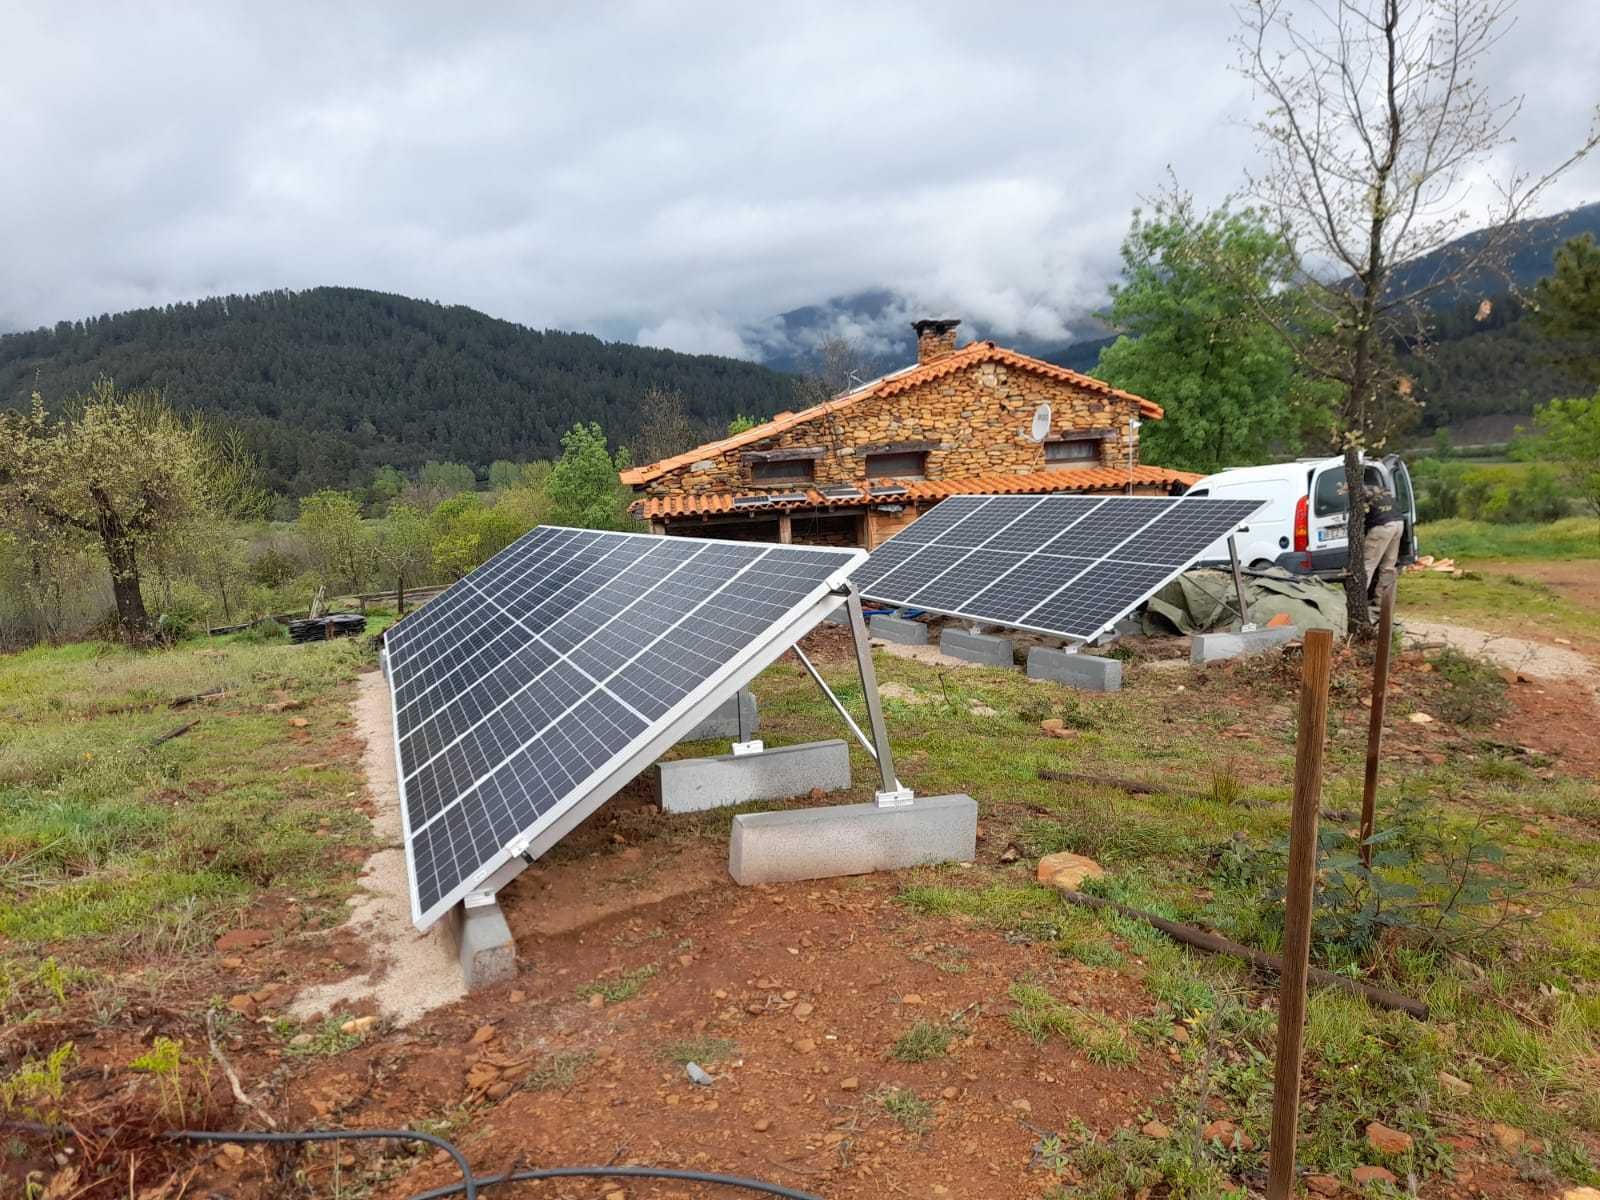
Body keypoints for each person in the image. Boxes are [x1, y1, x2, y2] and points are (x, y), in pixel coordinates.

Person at [1361, 477, 1405, 602]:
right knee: (1388, 565)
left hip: (1382, 526)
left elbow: (1362, 514)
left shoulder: (1360, 493)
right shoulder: (1383, 490)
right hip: (1398, 523)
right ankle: (1381, 601)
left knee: (1367, 565)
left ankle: (1357, 601)